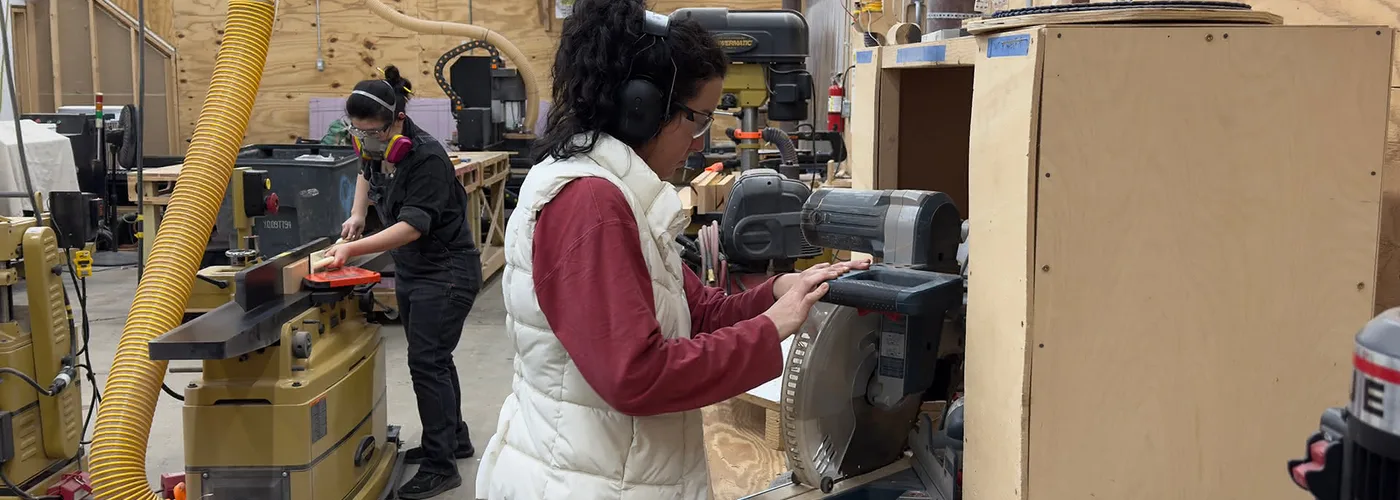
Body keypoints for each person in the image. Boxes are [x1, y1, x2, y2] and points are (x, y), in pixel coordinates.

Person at [474, 1, 868, 498]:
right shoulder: (590, 203)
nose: (699, 141)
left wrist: (778, 293)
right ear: (641, 109)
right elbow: (635, 376)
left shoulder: (619, 192)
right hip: (586, 483)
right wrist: (770, 331)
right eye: (697, 119)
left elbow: (695, 311)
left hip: (620, 469)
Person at [323, 66, 481, 500]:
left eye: (372, 131)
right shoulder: (377, 144)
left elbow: (412, 226)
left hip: (446, 271)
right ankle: (454, 440)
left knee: (426, 364)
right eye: (358, 131)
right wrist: (358, 214)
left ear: (396, 121)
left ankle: (440, 465)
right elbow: (365, 168)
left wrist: (352, 250)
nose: (366, 139)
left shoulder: (426, 156)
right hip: (415, 269)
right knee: (436, 360)